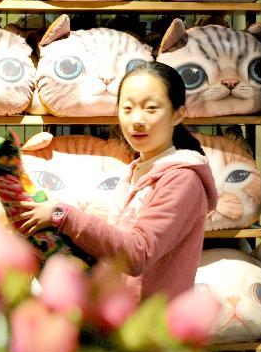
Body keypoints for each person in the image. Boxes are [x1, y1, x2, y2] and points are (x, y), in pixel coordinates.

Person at [13, 61, 217, 300]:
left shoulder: (182, 180)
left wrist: (62, 215)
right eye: (127, 108)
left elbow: (138, 254)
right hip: (122, 313)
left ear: (178, 114)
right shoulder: (136, 171)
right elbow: (116, 248)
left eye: (151, 108)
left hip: (155, 319)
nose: (137, 119)